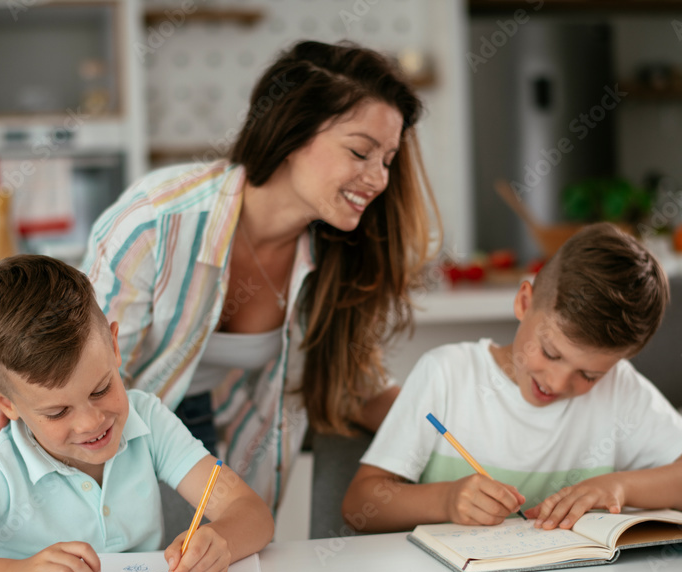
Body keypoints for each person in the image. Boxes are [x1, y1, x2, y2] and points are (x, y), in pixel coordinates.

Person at [80, 40, 440, 513]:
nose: (378, 179)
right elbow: (89, 385)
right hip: (119, 436)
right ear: (292, 133)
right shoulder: (154, 222)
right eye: (360, 152)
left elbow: (354, 386)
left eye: (387, 161)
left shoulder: (333, 252)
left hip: (224, 435)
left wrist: (470, 437)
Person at [0, 256, 274, 572]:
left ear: (114, 347)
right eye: (57, 413)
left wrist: (221, 540)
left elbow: (251, 513)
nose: (92, 422)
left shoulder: (148, 420)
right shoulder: (0, 467)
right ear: (7, 404)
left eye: (101, 389)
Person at [342, 223, 682, 533]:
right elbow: (359, 504)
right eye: (551, 353)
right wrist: (445, 501)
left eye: (589, 374)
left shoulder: (620, 390)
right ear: (524, 301)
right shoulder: (446, 374)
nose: (560, 383)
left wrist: (619, 486)